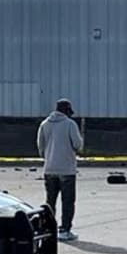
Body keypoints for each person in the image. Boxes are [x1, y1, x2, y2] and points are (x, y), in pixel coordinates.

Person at [37, 98, 84, 241]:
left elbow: (40, 147)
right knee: (68, 201)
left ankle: (48, 228)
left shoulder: (44, 124)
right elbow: (77, 145)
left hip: (49, 168)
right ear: (67, 111)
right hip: (67, 169)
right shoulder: (70, 124)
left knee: (50, 201)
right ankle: (64, 230)